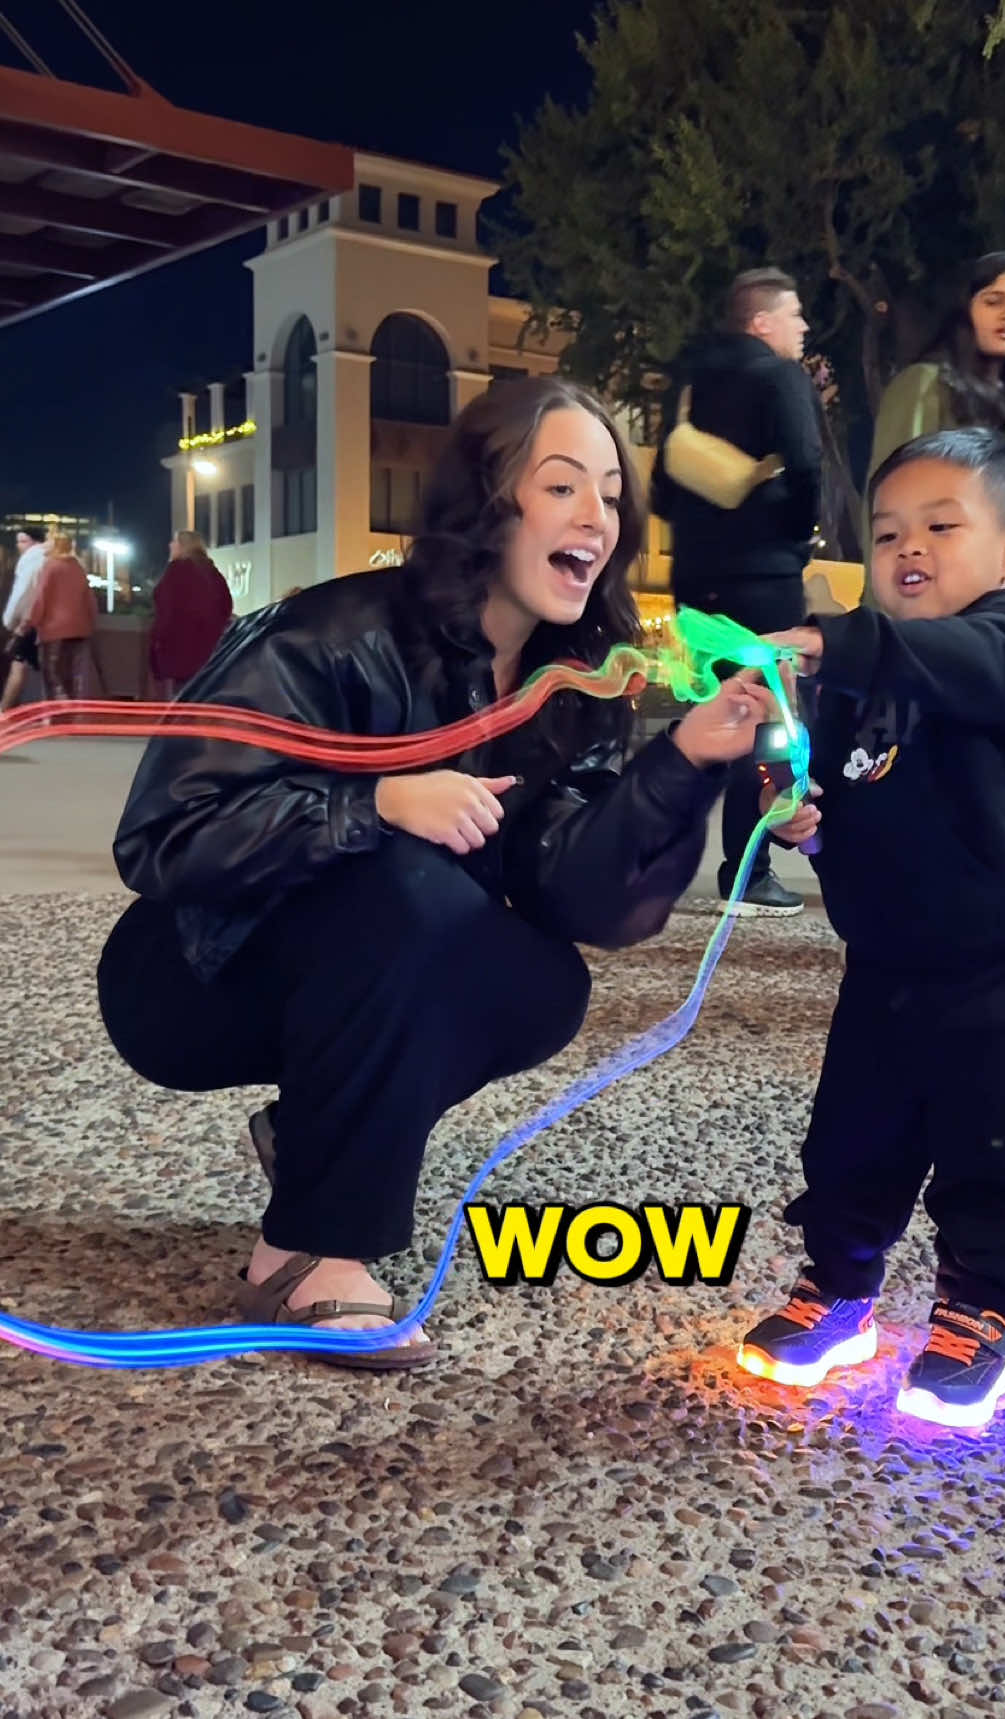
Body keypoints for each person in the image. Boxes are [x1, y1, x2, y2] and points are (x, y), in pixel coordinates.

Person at [97, 377, 780, 1372]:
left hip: (355, 969)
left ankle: (315, 1140)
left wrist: (684, 764)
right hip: (191, 970)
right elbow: (160, 837)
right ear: (486, 501)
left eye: (610, 491)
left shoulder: (575, 680)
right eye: (561, 487)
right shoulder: (330, 635)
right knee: (409, 889)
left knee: (541, 983)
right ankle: (318, 1255)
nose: (598, 515)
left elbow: (574, 895)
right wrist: (373, 803)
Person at [739, 427, 1005, 1427]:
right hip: (882, 962)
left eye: (942, 525)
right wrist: (800, 807)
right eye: (887, 532)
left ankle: (979, 1305)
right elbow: (825, 778)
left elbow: (984, 669)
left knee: (999, 1145)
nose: (908, 549)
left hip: (1002, 963)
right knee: (853, 1139)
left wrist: (829, 635)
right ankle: (839, 1288)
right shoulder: (866, 673)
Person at [650, 267, 824, 915]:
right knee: (772, 720)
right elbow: (806, 464)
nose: (803, 326)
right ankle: (748, 870)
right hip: (764, 579)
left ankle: (658, 847)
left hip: (694, 578)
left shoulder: (688, 384)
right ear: (761, 322)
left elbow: (663, 484)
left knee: (713, 712)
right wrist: (791, 532)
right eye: (795, 314)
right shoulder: (780, 378)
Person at [867, 251, 1005, 596]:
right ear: (966, 310)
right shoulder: (925, 387)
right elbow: (888, 511)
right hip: (939, 611)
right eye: (993, 301)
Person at [149, 529, 233, 697]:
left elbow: (166, 612)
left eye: (175, 541)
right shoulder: (213, 573)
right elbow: (227, 607)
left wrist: (156, 639)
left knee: (179, 699)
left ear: (182, 547)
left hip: (178, 650)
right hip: (209, 651)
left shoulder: (175, 572)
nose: (170, 545)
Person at [19, 534, 96, 700]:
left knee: (52, 675)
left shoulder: (50, 567)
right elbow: (90, 601)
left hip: (54, 631)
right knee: (72, 676)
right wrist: (89, 624)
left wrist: (29, 622)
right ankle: (70, 716)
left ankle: (57, 715)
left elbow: (40, 599)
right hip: (79, 631)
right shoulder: (78, 568)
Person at [1, 526, 46, 712]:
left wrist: (10, 621)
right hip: (42, 622)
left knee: (18, 665)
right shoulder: (49, 559)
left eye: (23, 541)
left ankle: (4, 710)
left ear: (35, 542)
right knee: (45, 669)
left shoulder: (30, 561)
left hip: (28, 622)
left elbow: (22, 594)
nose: (19, 546)